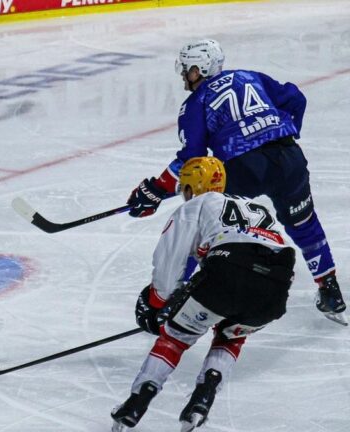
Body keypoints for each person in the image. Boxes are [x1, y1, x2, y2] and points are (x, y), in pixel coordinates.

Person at [126, 39, 346, 325]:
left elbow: (191, 158)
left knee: (201, 222)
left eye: (188, 69)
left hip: (242, 168)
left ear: (201, 67)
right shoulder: (250, 76)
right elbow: (295, 98)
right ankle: (329, 288)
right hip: (288, 158)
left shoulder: (197, 101)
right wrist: (287, 133)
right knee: (303, 223)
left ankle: (170, 300)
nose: (183, 75)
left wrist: (156, 188)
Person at [111, 157, 296, 432]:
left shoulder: (197, 205)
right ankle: (202, 399)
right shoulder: (256, 208)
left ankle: (137, 402)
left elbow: (169, 260)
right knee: (232, 334)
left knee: (176, 336)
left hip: (228, 270)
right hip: (275, 288)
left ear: (191, 186)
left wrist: (157, 302)